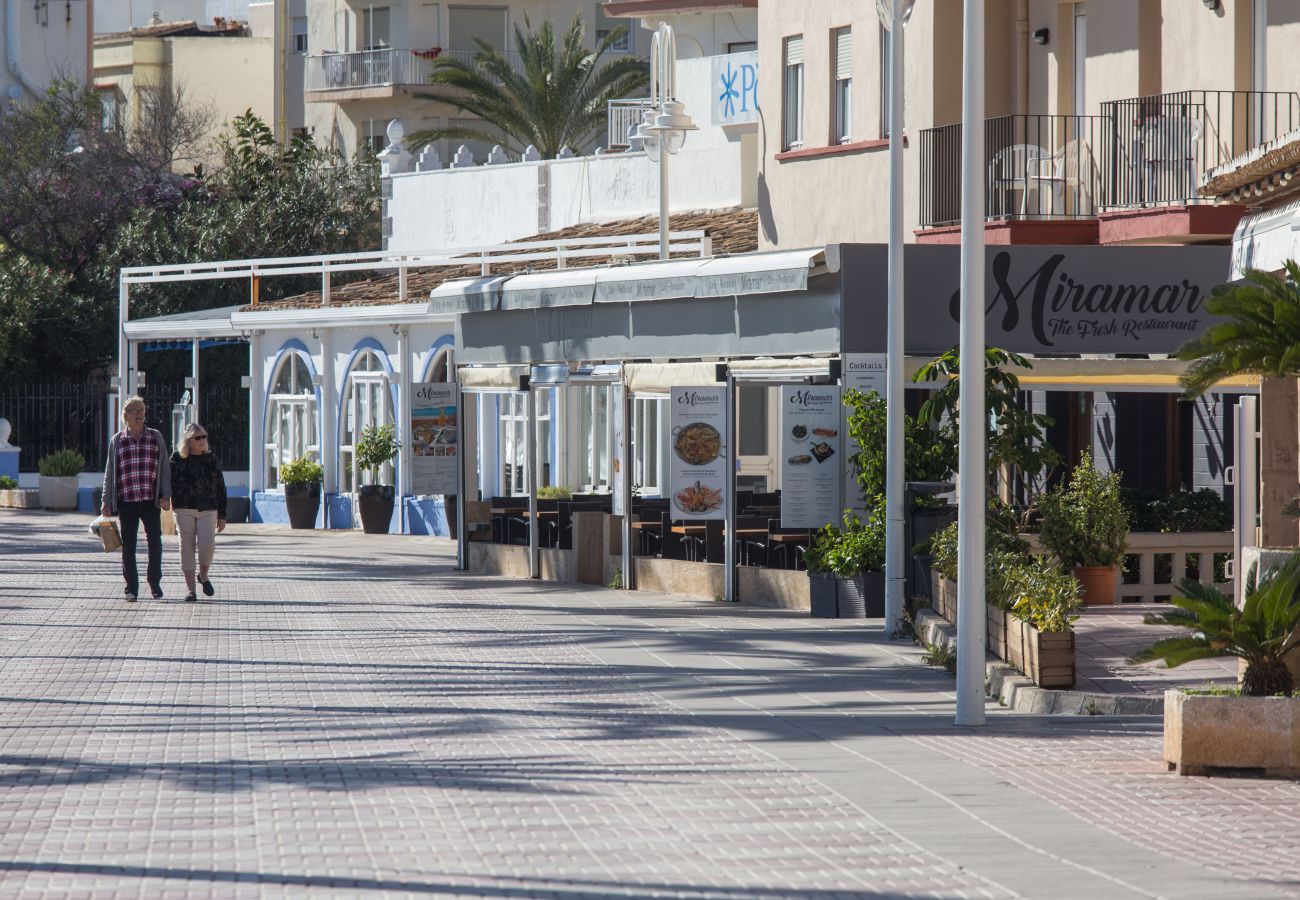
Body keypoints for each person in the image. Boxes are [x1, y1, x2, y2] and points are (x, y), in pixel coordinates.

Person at [101, 396, 172, 602]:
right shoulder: (117, 441)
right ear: (126, 416)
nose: (139, 413)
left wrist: (165, 495)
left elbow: (165, 469)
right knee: (129, 547)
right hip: (127, 501)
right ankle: (131, 588)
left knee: (155, 543)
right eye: (134, 410)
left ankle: (154, 582)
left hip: (150, 501)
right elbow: (110, 473)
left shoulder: (155, 437)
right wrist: (106, 500)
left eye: (141, 409)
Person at [170, 423, 228, 602]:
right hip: (183, 507)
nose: (202, 440)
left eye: (204, 437)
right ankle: (190, 590)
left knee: (206, 546)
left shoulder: (211, 459)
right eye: (198, 437)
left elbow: (220, 486)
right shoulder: (177, 459)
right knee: (186, 546)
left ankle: (203, 576)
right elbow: (168, 481)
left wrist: (222, 515)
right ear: (189, 440)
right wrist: (164, 499)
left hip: (208, 508)